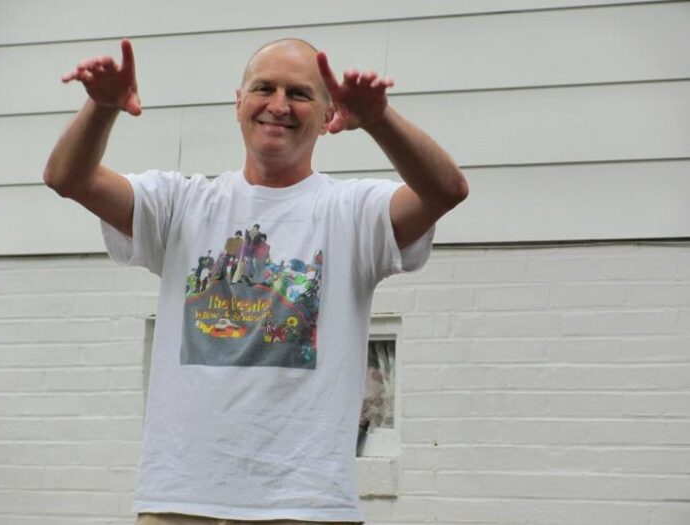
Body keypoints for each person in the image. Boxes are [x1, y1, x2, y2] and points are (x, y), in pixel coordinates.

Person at [44, 37, 468, 525]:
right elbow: (66, 177)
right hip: (181, 501)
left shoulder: (352, 211)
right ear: (238, 103)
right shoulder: (182, 203)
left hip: (305, 505)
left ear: (330, 113)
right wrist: (100, 107)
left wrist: (378, 119)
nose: (279, 105)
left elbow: (446, 189)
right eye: (264, 88)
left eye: (300, 93)